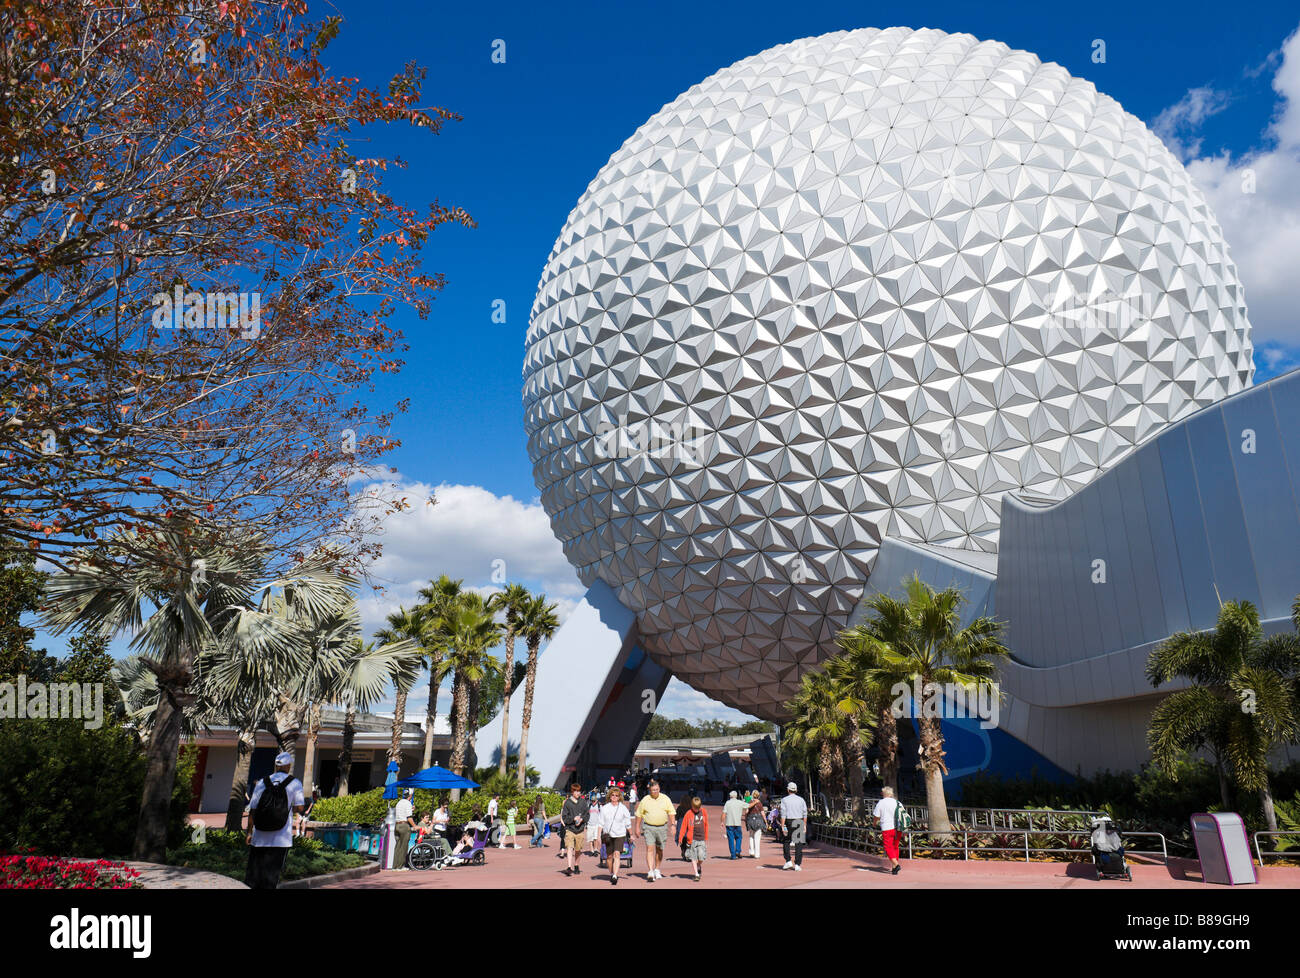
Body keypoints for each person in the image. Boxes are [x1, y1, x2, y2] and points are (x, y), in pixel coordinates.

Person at [245, 751, 305, 890]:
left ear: (276, 765)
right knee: (271, 877)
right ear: (288, 765)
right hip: (281, 838)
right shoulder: (295, 783)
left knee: (253, 876)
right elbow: (300, 807)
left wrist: (249, 833)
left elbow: (253, 810)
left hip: (259, 836)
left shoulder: (262, 782)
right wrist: (286, 809)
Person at [633, 779, 676, 883]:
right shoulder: (645, 799)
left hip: (662, 827)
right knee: (650, 848)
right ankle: (650, 871)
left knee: (660, 849)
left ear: (659, 789)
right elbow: (639, 814)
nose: (655, 792)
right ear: (650, 790)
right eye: (653, 790)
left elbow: (671, 812)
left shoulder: (665, 799)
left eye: (657, 790)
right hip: (649, 827)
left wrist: (673, 825)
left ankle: (657, 869)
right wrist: (637, 827)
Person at [600, 786, 633, 885]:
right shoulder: (605, 808)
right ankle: (611, 873)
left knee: (617, 854)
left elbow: (628, 822)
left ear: (619, 797)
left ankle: (615, 875)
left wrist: (631, 834)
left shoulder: (623, 808)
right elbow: (600, 823)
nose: (614, 797)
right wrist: (598, 836)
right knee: (609, 857)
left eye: (616, 795)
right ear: (610, 796)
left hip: (620, 834)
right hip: (608, 835)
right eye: (612, 795)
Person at [873, 786, 905, 875]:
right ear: (891, 794)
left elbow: (876, 816)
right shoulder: (897, 802)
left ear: (883, 793)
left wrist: (874, 823)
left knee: (888, 847)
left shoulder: (881, 803)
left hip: (887, 827)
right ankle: (894, 868)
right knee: (895, 846)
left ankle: (896, 864)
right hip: (898, 828)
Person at [677, 796, 709, 881]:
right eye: (695, 808)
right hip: (692, 839)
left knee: (701, 856)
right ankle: (696, 874)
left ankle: (699, 865)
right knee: (693, 857)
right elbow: (683, 826)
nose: (697, 810)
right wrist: (680, 837)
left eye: (698, 808)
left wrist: (706, 836)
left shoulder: (704, 812)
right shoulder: (688, 813)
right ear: (692, 806)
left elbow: (706, 824)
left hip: (701, 838)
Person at [778, 781, 808, 871]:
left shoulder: (784, 800)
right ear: (796, 790)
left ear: (788, 790)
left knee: (786, 841)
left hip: (789, 821)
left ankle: (788, 861)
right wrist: (805, 825)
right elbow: (805, 813)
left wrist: (782, 826)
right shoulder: (801, 800)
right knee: (798, 843)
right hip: (799, 821)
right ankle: (798, 864)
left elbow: (783, 814)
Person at [561, 782, 588, 876]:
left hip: (580, 829)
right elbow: (564, 817)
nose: (578, 793)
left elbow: (587, 815)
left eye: (579, 791)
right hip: (570, 829)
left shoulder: (583, 802)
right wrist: (573, 819)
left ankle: (576, 865)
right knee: (569, 847)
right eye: (576, 791)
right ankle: (569, 867)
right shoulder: (567, 803)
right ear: (572, 792)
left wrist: (582, 819)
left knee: (578, 850)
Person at [393, 788, 417, 871]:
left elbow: (402, 812)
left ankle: (395, 866)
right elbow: (409, 817)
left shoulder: (399, 802)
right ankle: (400, 866)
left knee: (397, 846)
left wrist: (411, 809)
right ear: (410, 795)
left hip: (397, 825)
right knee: (404, 847)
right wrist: (415, 826)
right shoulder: (408, 803)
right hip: (404, 825)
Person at [721, 790, 746, 859]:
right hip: (737, 823)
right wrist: (755, 801)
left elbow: (724, 813)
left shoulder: (727, 803)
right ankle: (737, 850)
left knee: (731, 839)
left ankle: (733, 855)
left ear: (730, 796)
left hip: (729, 823)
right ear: (736, 796)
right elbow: (748, 806)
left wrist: (722, 822)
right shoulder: (740, 802)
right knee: (739, 837)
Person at [744, 791, 766, 859]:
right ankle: (757, 854)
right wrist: (766, 821)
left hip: (750, 820)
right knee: (757, 838)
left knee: (751, 836)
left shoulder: (750, 802)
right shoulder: (760, 803)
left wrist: (746, 819)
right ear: (758, 796)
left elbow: (746, 812)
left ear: (752, 795)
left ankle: (751, 852)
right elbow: (763, 813)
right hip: (759, 820)